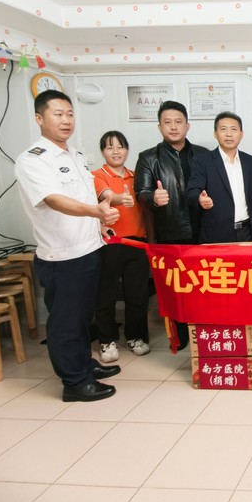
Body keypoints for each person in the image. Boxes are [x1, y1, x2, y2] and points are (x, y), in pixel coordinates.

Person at [15, 90, 121, 402]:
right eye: (58, 114)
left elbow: (85, 196)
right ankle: (75, 383)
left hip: (89, 248)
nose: (66, 120)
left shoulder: (74, 155)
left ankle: (84, 365)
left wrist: (100, 219)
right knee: (66, 322)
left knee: (83, 316)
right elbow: (54, 200)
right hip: (63, 256)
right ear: (39, 118)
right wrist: (95, 212)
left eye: (70, 114)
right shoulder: (33, 160)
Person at [134, 100, 208, 349]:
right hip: (169, 234)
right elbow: (141, 192)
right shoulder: (148, 158)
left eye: (178, 122)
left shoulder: (204, 155)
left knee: (203, 286)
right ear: (159, 127)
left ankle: (203, 334)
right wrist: (153, 198)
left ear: (187, 125)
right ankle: (182, 337)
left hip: (203, 233)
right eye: (167, 122)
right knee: (176, 289)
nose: (173, 127)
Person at [92, 131, 151, 363]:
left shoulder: (137, 176)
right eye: (109, 147)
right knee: (105, 294)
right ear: (102, 152)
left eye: (120, 147)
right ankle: (107, 341)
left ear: (127, 150)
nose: (116, 151)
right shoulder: (97, 175)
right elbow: (107, 196)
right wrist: (120, 198)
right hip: (110, 243)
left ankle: (135, 337)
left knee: (137, 294)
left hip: (138, 243)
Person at [186, 112, 252, 243]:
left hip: (249, 232)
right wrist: (200, 199)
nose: (229, 134)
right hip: (216, 233)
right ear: (215, 134)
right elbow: (192, 191)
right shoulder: (203, 161)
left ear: (241, 134)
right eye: (223, 129)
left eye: (234, 129)